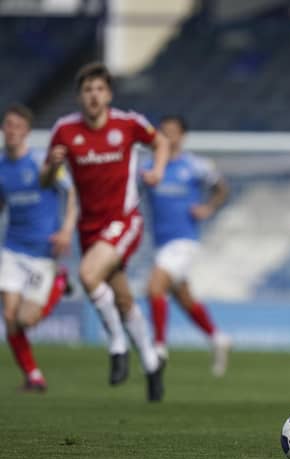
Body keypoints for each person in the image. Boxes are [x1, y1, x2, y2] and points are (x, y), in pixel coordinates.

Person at [41, 62, 170, 401]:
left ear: (108, 94)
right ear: (79, 96)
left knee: (86, 274)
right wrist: (52, 166)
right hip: (89, 228)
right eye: (88, 90)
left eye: (100, 89)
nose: (94, 95)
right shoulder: (64, 131)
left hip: (124, 220)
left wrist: (157, 170)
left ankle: (116, 346)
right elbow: (45, 179)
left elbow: (163, 143)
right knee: (124, 298)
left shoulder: (128, 124)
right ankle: (152, 362)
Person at [142, 115, 231, 376]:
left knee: (154, 287)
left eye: (172, 132)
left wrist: (208, 208)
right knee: (182, 296)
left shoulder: (195, 166)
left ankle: (158, 347)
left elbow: (222, 188)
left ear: (182, 136)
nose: (168, 137)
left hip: (185, 241)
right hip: (160, 243)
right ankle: (217, 337)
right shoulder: (148, 167)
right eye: (164, 132)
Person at [0, 103, 77, 391]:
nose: (13, 131)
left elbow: (70, 193)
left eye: (18, 126)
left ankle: (59, 281)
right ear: (3, 129)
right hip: (11, 248)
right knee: (9, 318)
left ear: (27, 132)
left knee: (25, 320)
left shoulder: (41, 164)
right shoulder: (0, 167)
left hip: (41, 253)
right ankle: (34, 376)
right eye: (9, 124)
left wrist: (67, 231)